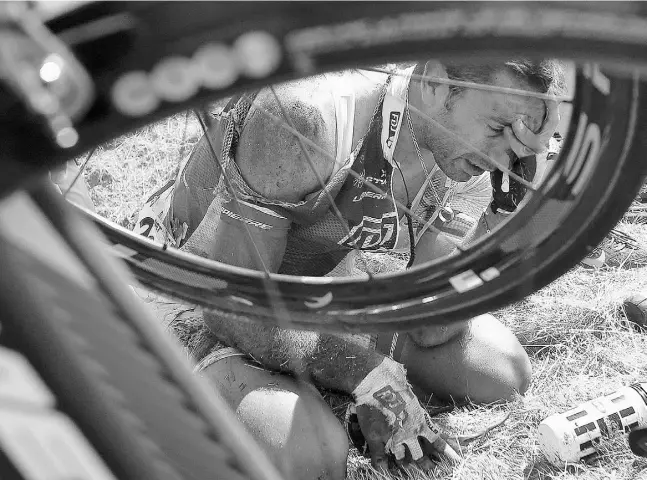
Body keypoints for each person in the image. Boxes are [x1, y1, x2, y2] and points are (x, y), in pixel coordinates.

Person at [131, 59, 564, 479]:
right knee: (310, 457)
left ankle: (318, 379)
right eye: (498, 129)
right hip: (193, 292)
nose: (508, 158)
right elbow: (230, 307)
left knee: (502, 371)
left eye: (521, 143)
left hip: (315, 292)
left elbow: (434, 330)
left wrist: (505, 213)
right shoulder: (310, 116)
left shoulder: (465, 155)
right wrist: (365, 372)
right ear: (435, 83)